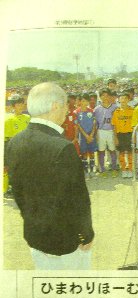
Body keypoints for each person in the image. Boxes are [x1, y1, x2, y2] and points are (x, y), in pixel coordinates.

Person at [8, 82, 94, 270]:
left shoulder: (14, 143)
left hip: (34, 235)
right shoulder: (62, 147)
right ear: (55, 106)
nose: (66, 111)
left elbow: (18, 193)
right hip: (66, 240)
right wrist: (86, 234)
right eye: (65, 106)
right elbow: (77, 198)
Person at [94, 88, 118, 177]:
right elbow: (95, 122)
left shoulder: (115, 107)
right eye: (103, 95)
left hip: (111, 131)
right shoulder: (97, 109)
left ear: (110, 96)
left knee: (112, 150)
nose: (105, 97)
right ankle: (102, 169)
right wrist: (96, 133)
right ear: (100, 97)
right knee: (101, 151)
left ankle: (114, 168)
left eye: (107, 95)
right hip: (101, 131)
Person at [111, 92, 134, 178]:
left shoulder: (132, 110)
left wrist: (133, 136)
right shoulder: (116, 112)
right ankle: (124, 169)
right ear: (119, 100)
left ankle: (130, 169)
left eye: (125, 98)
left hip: (129, 134)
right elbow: (114, 126)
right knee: (121, 152)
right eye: (122, 98)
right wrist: (115, 138)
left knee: (130, 152)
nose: (123, 100)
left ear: (128, 100)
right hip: (120, 134)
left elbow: (134, 124)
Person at [75, 93, 97, 178]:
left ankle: (92, 170)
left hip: (91, 136)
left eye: (86, 101)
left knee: (91, 153)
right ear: (80, 102)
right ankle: (86, 171)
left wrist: (91, 135)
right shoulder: (77, 112)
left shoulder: (92, 111)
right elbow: (78, 125)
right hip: (83, 137)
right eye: (82, 101)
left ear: (88, 102)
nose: (84, 102)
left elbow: (94, 124)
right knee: (84, 154)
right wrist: (86, 136)